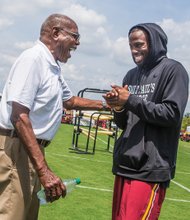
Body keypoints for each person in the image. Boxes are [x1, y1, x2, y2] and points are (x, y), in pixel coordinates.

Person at [0, 14, 108, 220]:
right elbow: (19, 116)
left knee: (25, 214)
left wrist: (107, 105)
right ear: (56, 33)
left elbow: (70, 101)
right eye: (75, 36)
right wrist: (44, 171)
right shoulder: (33, 59)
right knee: (11, 213)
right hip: (17, 148)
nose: (78, 42)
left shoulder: (52, 66)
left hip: (29, 149)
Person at [103, 23, 189, 220]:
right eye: (131, 45)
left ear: (154, 43)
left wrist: (130, 100)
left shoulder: (174, 70)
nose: (134, 50)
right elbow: (125, 123)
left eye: (139, 45)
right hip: (125, 164)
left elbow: (172, 114)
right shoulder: (131, 75)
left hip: (150, 168)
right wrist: (118, 106)